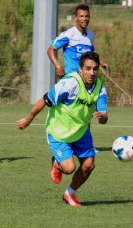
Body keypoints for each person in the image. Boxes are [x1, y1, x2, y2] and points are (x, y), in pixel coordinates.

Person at [16, 52, 108, 207]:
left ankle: (69, 194)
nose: (92, 73)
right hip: (58, 132)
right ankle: (56, 163)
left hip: (81, 132)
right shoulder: (69, 84)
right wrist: (28, 118)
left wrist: (102, 118)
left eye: (95, 69)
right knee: (69, 168)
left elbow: (104, 117)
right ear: (80, 69)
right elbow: (46, 99)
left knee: (89, 165)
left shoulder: (100, 88)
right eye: (88, 68)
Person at [47, 4, 109, 154]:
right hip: (72, 80)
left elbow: (90, 53)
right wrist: (58, 66)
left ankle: (84, 144)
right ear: (76, 18)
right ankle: (62, 142)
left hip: (86, 79)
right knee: (71, 113)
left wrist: (100, 62)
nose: (84, 19)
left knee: (86, 111)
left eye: (87, 16)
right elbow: (51, 50)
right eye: (81, 16)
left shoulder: (90, 35)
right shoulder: (69, 34)